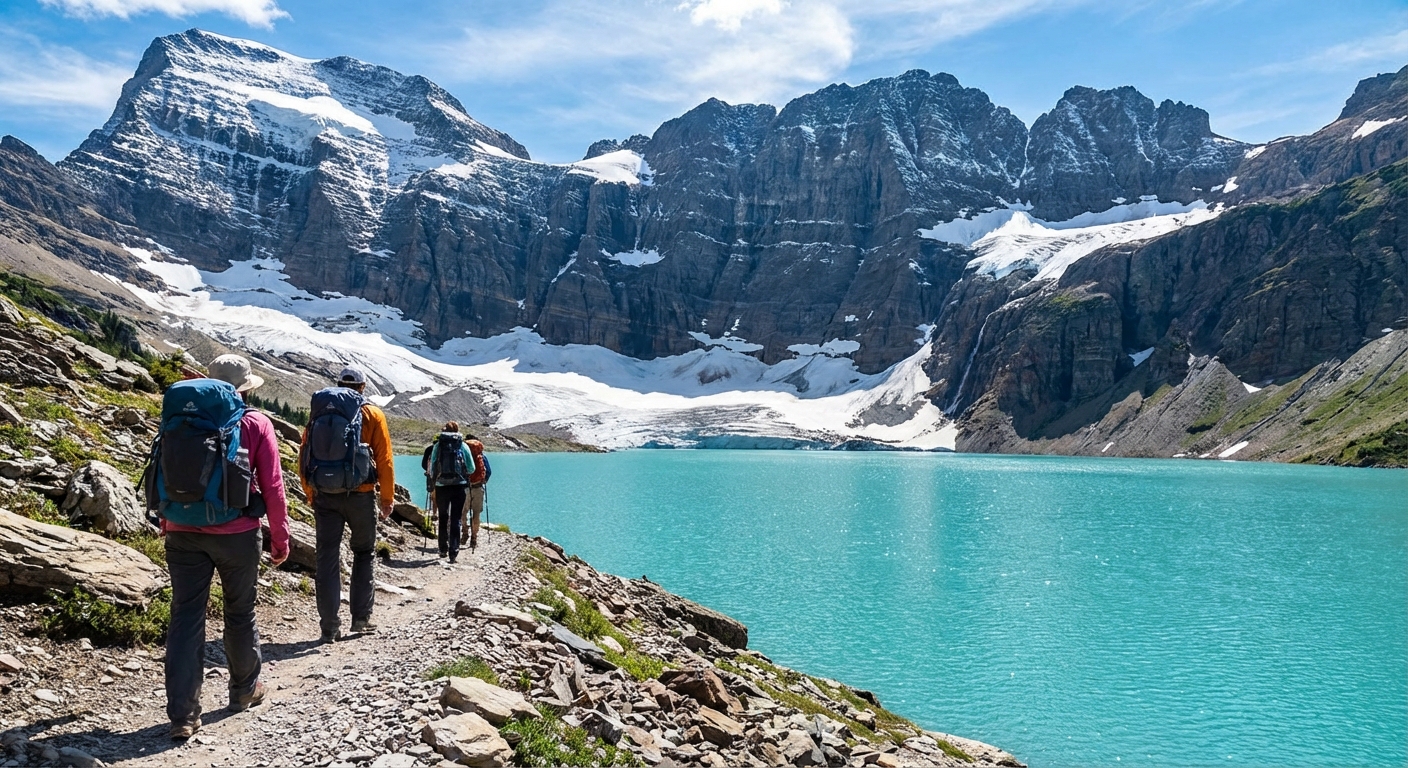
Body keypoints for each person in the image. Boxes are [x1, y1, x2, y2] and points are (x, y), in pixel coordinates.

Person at [161, 354, 290, 740]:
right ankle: (244, 690)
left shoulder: (182, 417)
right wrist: (280, 538)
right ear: (246, 388)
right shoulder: (254, 422)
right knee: (239, 611)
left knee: (185, 617)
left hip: (182, 530)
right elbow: (273, 485)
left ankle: (183, 715)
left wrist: (169, 522)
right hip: (237, 533)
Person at [299, 366, 394, 643]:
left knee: (326, 558)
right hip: (361, 494)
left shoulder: (320, 410)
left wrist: (310, 492)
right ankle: (361, 620)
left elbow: (305, 452)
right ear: (362, 387)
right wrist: (387, 499)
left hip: (325, 495)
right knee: (364, 552)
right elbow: (385, 460)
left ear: (338, 384)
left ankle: (329, 627)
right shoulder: (372, 414)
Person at [424, 422, 477, 563]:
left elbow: (432, 468)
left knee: (443, 517)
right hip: (459, 486)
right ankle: (453, 552)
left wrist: (434, 479)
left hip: (441, 486)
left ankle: (442, 548)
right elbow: (471, 468)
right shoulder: (463, 445)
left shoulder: (438, 445)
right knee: (456, 519)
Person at [462, 433, 492, 551]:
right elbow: (488, 471)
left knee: (463, 512)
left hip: (464, 487)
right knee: (476, 514)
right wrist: (483, 481)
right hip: (478, 487)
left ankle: (464, 533)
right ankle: (474, 538)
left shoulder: (463, 454)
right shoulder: (482, 456)